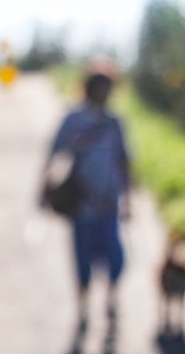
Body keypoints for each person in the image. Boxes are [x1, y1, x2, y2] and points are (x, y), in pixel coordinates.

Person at [41, 70, 132, 338]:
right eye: (99, 87)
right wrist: (46, 189)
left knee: (115, 260)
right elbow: (55, 152)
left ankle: (111, 303)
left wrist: (128, 199)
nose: (104, 93)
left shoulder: (115, 122)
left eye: (108, 88)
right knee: (83, 262)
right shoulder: (74, 120)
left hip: (110, 205)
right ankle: (83, 309)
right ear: (89, 89)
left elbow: (124, 160)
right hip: (82, 206)